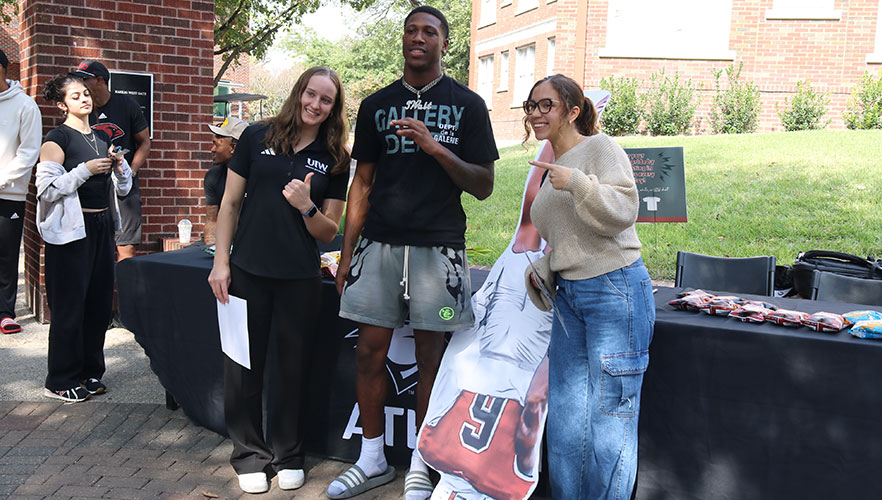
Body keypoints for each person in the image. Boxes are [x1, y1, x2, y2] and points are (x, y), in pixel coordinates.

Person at [329, 6, 498, 500]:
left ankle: (423, 464)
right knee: (368, 353)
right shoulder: (378, 105)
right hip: (378, 246)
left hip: (438, 247)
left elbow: (485, 185)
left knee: (431, 360)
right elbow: (361, 184)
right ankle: (373, 459)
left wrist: (436, 148)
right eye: (411, 30)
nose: (418, 38)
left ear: (445, 43)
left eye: (429, 31)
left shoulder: (467, 105)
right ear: (402, 41)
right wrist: (345, 255)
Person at [207, 66, 350, 494]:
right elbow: (230, 204)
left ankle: (288, 454)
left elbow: (329, 231)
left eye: (326, 100)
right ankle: (249, 455)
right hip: (247, 272)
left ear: (333, 107)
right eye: (311, 94)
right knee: (242, 369)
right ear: (298, 92)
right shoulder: (256, 136)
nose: (315, 105)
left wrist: (308, 207)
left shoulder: (336, 157)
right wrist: (221, 262)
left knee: (291, 371)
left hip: (299, 279)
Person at [523, 74, 655, 500]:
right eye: (531, 105)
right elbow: (570, 235)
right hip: (571, 298)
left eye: (547, 105)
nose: (536, 113)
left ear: (573, 111)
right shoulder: (550, 168)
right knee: (566, 417)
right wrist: (547, 264)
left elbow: (624, 210)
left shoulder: (601, 148)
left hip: (614, 291)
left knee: (609, 418)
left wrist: (578, 182)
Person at [35, 74, 132, 403]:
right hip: (71, 235)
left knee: (98, 305)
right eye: (75, 96)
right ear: (62, 104)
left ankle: (90, 372)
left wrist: (120, 168)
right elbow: (46, 188)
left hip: (103, 228)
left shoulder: (102, 138)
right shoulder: (56, 138)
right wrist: (84, 171)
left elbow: (124, 188)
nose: (85, 99)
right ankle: (60, 379)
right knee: (69, 306)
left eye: (86, 94)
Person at [72, 60, 150, 261]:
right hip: (90, 184)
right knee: (89, 248)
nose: (80, 84)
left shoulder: (127, 105)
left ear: (99, 80)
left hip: (123, 184)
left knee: (126, 248)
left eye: (84, 79)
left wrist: (130, 172)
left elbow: (144, 142)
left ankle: (124, 292)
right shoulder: (80, 110)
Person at [0, 49, 42, 335]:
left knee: (5, 255)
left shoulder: (25, 106)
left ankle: (5, 312)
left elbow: (28, 154)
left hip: (9, 194)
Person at [203, 117, 247, 245]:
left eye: (216, 144)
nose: (212, 149)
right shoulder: (213, 176)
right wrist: (212, 249)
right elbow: (212, 220)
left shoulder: (257, 176)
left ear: (233, 147)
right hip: (226, 244)